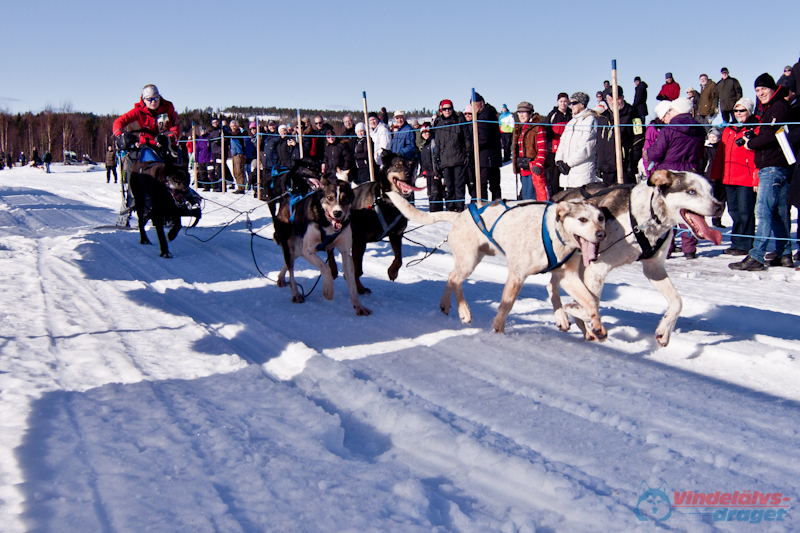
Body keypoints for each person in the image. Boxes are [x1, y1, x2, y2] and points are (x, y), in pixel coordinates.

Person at [730, 74, 794, 270]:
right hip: (778, 166)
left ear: (772, 88)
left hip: (772, 167)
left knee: (763, 212)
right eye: (757, 90)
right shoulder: (772, 107)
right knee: (777, 214)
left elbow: (773, 134)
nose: (760, 93)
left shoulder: (778, 107)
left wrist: (751, 143)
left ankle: (756, 256)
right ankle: (784, 254)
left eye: (763, 89)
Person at [112, 84, 181, 225]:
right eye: (149, 99)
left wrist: (169, 138)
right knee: (131, 167)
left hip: (165, 146)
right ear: (143, 99)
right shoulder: (138, 111)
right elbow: (119, 122)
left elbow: (175, 129)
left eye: (156, 98)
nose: (153, 102)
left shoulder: (168, 109)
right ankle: (129, 204)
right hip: (146, 147)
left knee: (170, 172)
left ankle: (173, 203)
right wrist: (120, 135)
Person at [646, 97, 705, 259]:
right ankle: (689, 248)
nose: (669, 112)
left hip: (671, 174)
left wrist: (648, 152)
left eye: (671, 110)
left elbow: (657, 152)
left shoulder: (670, 129)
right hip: (691, 172)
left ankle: (666, 248)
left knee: (668, 211)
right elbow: (701, 152)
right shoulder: (699, 129)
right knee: (690, 210)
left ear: (678, 110)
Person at [710, 98, 758, 256]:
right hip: (729, 177)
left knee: (745, 212)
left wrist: (756, 178)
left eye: (742, 110)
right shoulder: (729, 130)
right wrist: (716, 173)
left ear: (749, 111)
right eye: (736, 111)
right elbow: (720, 154)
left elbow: (757, 155)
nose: (738, 113)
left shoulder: (755, 128)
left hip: (745, 177)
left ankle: (746, 244)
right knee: (734, 211)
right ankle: (736, 242)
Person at [554, 92, 600, 189]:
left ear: (582, 104)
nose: (571, 106)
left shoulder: (590, 121)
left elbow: (586, 148)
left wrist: (568, 164)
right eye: (570, 103)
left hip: (582, 174)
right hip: (568, 175)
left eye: (574, 103)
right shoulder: (571, 122)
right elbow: (562, 143)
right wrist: (559, 160)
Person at [601, 86, 644, 184]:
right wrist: (600, 164)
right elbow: (600, 143)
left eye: (618, 98)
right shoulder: (604, 117)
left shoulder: (632, 114)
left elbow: (638, 140)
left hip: (624, 168)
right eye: (611, 99)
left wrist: (632, 163)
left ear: (623, 97)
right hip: (607, 169)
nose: (614, 102)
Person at [433, 99, 468, 211]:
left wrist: (468, 154)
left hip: (459, 159)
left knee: (459, 186)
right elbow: (437, 145)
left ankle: (459, 208)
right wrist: (436, 160)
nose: (447, 111)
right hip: (445, 161)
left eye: (449, 108)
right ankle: (450, 208)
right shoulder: (439, 124)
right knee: (449, 187)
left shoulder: (459, 121)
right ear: (441, 110)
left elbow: (466, 139)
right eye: (445, 109)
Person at [512, 101, 547, 200]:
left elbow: (542, 149)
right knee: (525, 198)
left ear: (531, 113)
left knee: (532, 199)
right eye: (519, 112)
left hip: (534, 170)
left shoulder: (538, 128)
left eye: (524, 112)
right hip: (523, 169)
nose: (521, 115)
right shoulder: (519, 128)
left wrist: (538, 165)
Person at [473, 93, 503, 201]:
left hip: (487, 157)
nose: (473, 108)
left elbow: (484, 138)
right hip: (491, 156)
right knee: (494, 185)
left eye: (475, 105)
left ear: (481, 103)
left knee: (484, 184)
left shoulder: (484, 116)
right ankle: (497, 204)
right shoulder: (489, 113)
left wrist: (473, 146)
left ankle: (485, 206)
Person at [545, 93, 571, 197]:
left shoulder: (571, 114)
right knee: (554, 179)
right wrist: (550, 133)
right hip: (554, 150)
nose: (563, 104)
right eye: (561, 101)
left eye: (565, 101)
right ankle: (555, 198)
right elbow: (546, 129)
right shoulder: (553, 115)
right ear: (557, 102)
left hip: (568, 150)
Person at [418, 123, 443, 211]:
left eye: (426, 132)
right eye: (423, 133)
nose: (425, 134)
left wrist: (437, 171)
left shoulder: (433, 142)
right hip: (428, 172)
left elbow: (436, 157)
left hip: (434, 172)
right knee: (430, 193)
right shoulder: (425, 144)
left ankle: (436, 211)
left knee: (435, 193)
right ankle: (432, 210)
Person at [228, 120, 247, 193]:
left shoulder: (238, 133)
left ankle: (241, 187)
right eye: (231, 126)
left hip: (239, 154)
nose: (233, 127)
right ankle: (239, 186)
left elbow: (232, 135)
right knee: (235, 171)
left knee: (239, 171)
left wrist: (224, 127)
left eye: (234, 126)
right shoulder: (232, 134)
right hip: (234, 154)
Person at [195, 125, 214, 191]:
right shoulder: (199, 139)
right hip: (201, 159)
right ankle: (206, 186)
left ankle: (215, 186)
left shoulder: (209, 138)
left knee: (211, 173)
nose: (202, 132)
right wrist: (195, 160)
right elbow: (196, 150)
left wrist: (211, 157)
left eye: (203, 130)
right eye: (201, 131)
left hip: (208, 159)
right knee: (202, 174)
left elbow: (211, 149)